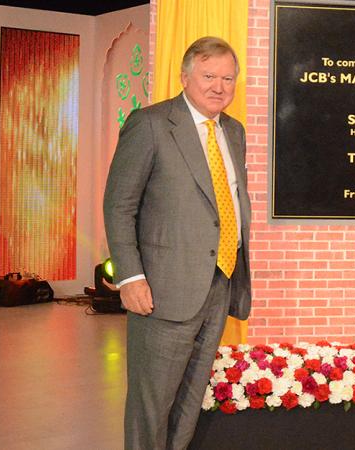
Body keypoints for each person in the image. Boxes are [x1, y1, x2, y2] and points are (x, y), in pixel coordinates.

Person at [103, 36, 252, 450]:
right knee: (152, 405)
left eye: (228, 78)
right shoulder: (150, 124)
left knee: (190, 401)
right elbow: (119, 206)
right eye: (208, 76)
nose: (219, 86)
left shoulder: (233, 131)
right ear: (184, 76)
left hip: (218, 284)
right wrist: (130, 277)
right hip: (162, 290)